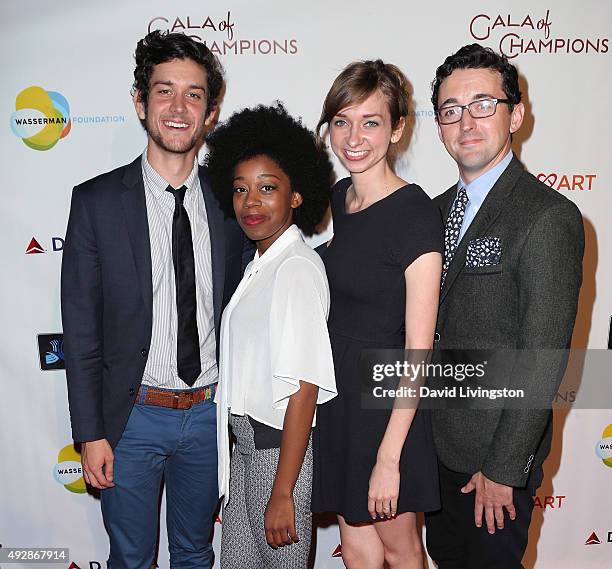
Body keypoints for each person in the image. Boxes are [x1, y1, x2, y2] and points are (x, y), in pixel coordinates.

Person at [61, 31, 252, 569]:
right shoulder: (96, 202)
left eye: (193, 94)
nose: (178, 107)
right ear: (140, 102)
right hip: (131, 418)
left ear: (210, 112)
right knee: (131, 555)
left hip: (211, 414)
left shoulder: (233, 200)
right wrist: (90, 432)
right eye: (164, 91)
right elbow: (79, 330)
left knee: (195, 553)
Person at [425, 44, 584, 569]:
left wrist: (504, 469)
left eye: (483, 104)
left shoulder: (547, 216)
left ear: (515, 115)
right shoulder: (433, 212)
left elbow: (544, 356)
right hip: (434, 452)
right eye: (451, 110)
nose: (466, 121)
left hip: (494, 465)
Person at [311, 60, 444, 569]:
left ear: (398, 129)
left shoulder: (414, 213)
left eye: (371, 121)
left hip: (390, 405)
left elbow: (419, 350)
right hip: (340, 395)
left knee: (402, 549)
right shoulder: (340, 198)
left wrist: (389, 458)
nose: (354, 137)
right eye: (342, 121)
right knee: (358, 546)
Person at [205, 103, 337, 569]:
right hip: (246, 450)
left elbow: (304, 387)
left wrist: (283, 492)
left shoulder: (297, 267)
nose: (251, 202)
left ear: (296, 196)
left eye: (267, 188)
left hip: (277, 456)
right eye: (240, 189)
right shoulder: (262, 264)